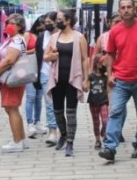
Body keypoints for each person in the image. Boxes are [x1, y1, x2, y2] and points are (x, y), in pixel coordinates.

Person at [99, 0, 137, 163]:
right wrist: (110, 74)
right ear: (119, 11)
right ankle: (110, 147)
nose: (126, 10)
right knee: (115, 112)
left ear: (135, 9)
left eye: (129, 7)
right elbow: (110, 53)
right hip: (121, 80)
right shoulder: (115, 31)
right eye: (123, 7)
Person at [44, 9, 89, 157]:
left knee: (71, 112)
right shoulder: (54, 37)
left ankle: (70, 141)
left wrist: (86, 78)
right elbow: (45, 57)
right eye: (57, 19)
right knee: (57, 111)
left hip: (73, 79)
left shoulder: (79, 37)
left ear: (68, 20)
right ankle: (63, 134)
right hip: (57, 79)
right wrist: (52, 55)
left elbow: (85, 59)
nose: (57, 22)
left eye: (59, 19)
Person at [0, 13, 28, 153]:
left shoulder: (17, 40)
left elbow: (10, 60)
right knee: (11, 108)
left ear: (20, 26)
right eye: (7, 23)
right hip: (9, 77)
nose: (8, 26)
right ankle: (21, 139)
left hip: (12, 77)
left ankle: (17, 141)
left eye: (13, 23)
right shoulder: (11, 40)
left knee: (11, 108)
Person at [37, 12, 59, 143]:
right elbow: (38, 55)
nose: (47, 24)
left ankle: (63, 130)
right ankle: (52, 131)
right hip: (45, 72)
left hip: (61, 72)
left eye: (50, 21)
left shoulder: (63, 35)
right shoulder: (42, 36)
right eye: (46, 22)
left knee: (60, 103)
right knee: (49, 103)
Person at [24, 16, 47, 138]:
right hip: (30, 68)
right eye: (43, 23)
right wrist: (35, 50)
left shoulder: (45, 36)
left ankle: (37, 121)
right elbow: (22, 51)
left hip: (41, 68)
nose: (45, 26)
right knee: (30, 97)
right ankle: (29, 123)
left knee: (39, 97)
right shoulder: (29, 35)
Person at [87, 55, 109, 150]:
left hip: (104, 101)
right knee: (96, 122)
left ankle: (104, 132)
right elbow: (86, 87)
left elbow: (108, 90)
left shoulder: (106, 77)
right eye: (104, 63)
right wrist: (84, 83)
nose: (106, 65)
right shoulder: (91, 76)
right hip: (93, 101)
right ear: (98, 64)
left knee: (105, 120)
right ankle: (97, 140)